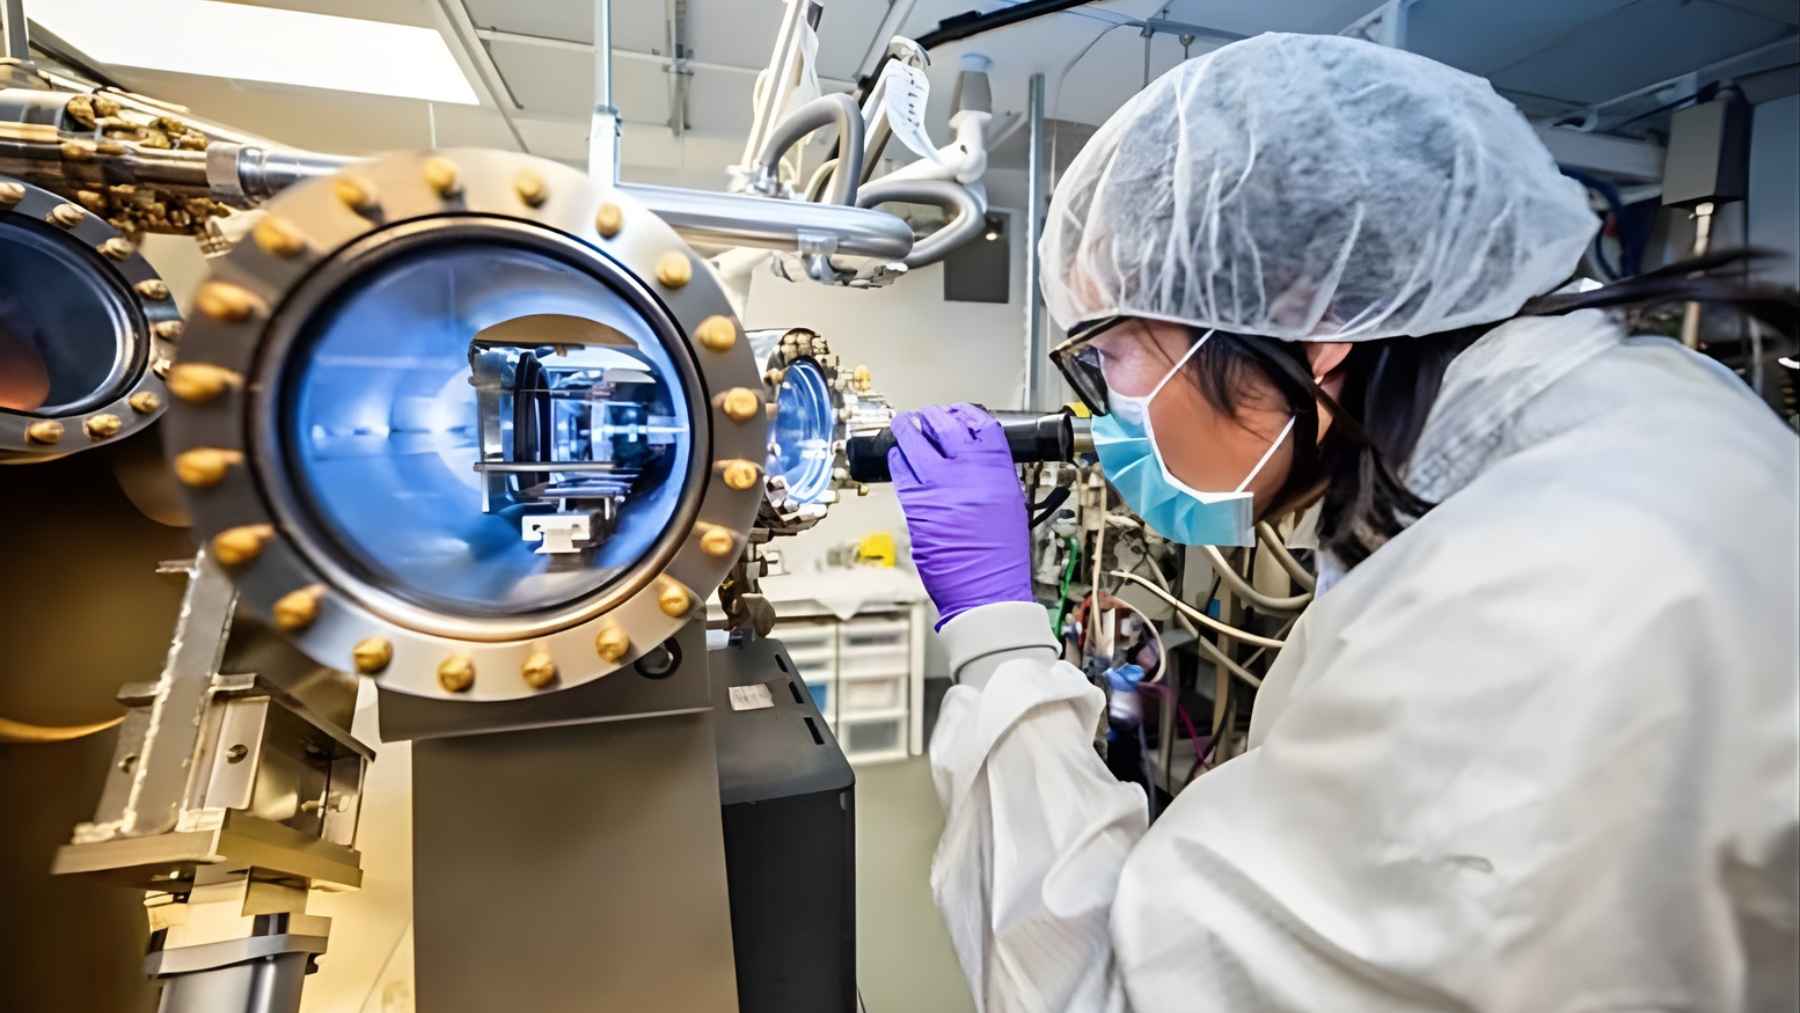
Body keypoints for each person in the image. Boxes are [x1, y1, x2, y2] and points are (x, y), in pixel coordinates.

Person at [885, 33, 1799, 1012]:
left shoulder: (1531, 595)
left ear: (1306, 314)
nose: (1108, 409)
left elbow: (1109, 994)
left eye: (1111, 353)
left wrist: (998, 641)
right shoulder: (1633, 417)